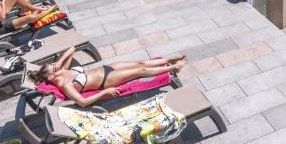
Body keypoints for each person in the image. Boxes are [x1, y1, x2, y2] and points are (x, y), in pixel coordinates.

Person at [30, 49, 188, 107]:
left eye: (53, 64)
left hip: (106, 68)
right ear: (51, 76)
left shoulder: (62, 70)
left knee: (139, 62)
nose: (55, 65)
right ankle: (175, 68)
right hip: (107, 81)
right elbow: (82, 102)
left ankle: (170, 60)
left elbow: (72, 49)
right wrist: (105, 93)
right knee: (141, 70)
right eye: (53, 67)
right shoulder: (65, 85)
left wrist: (59, 61)